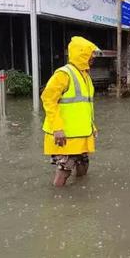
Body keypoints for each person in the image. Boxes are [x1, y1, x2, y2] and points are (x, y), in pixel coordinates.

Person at [41, 36, 101, 187]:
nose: (93, 58)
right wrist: (57, 128)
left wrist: (92, 127)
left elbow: (85, 106)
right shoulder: (63, 74)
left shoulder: (85, 76)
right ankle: (59, 204)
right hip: (65, 136)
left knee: (83, 167)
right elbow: (48, 99)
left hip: (81, 135)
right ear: (82, 54)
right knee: (64, 170)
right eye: (91, 54)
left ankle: (79, 199)